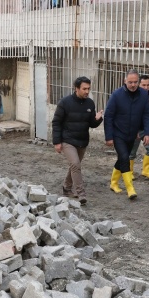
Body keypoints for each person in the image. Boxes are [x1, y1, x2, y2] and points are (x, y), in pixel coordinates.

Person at [51, 76, 103, 205]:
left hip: (82, 141)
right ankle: (81, 194)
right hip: (67, 140)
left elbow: (92, 124)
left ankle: (66, 188)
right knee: (75, 164)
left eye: (88, 89)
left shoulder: (90, 103)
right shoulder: (65, 103)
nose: (87, 91)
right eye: (84, 89)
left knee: (74, 166)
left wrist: (98, 119)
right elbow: (56, 123)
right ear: (76, 88)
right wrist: (57, 142)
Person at [103, 69, 149, 200]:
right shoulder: (117, 95)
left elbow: (147, 114)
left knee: (122, 159)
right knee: (125, 157)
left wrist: (147, 133)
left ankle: (113, 183)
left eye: (136, 82)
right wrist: (109, 137)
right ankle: (130, 189)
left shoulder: (143, 95)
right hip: (118, 133)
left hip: (132, 134)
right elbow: (108, 116)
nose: (133, 85)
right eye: (130, 82)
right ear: (125, 81)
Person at [129, 75, 149, 180]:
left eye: (148, 85)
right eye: (143, 85)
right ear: (138, 84)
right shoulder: (132, 95)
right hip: (134, 129)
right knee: (131, 152)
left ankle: (146, 171)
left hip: (146, 129)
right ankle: (129, 172)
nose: (146, 87)